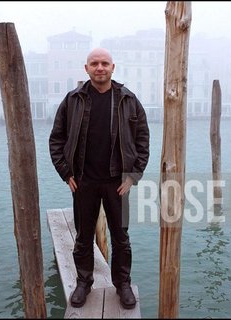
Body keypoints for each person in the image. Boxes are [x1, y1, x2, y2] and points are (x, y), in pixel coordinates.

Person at [49, 48, 150, 309]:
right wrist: (65, 173)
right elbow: (56, 139)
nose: (100, 67)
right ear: (86, 69)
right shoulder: (72, 101)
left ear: (113, 67)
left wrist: (133, 176)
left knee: (121, 237)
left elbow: (142, 140)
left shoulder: (128, 100)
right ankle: (84, 282)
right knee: (83, 237)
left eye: (105, 63)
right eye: (95, 63)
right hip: (84, 182)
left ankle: (123, 284)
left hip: (119, 183)